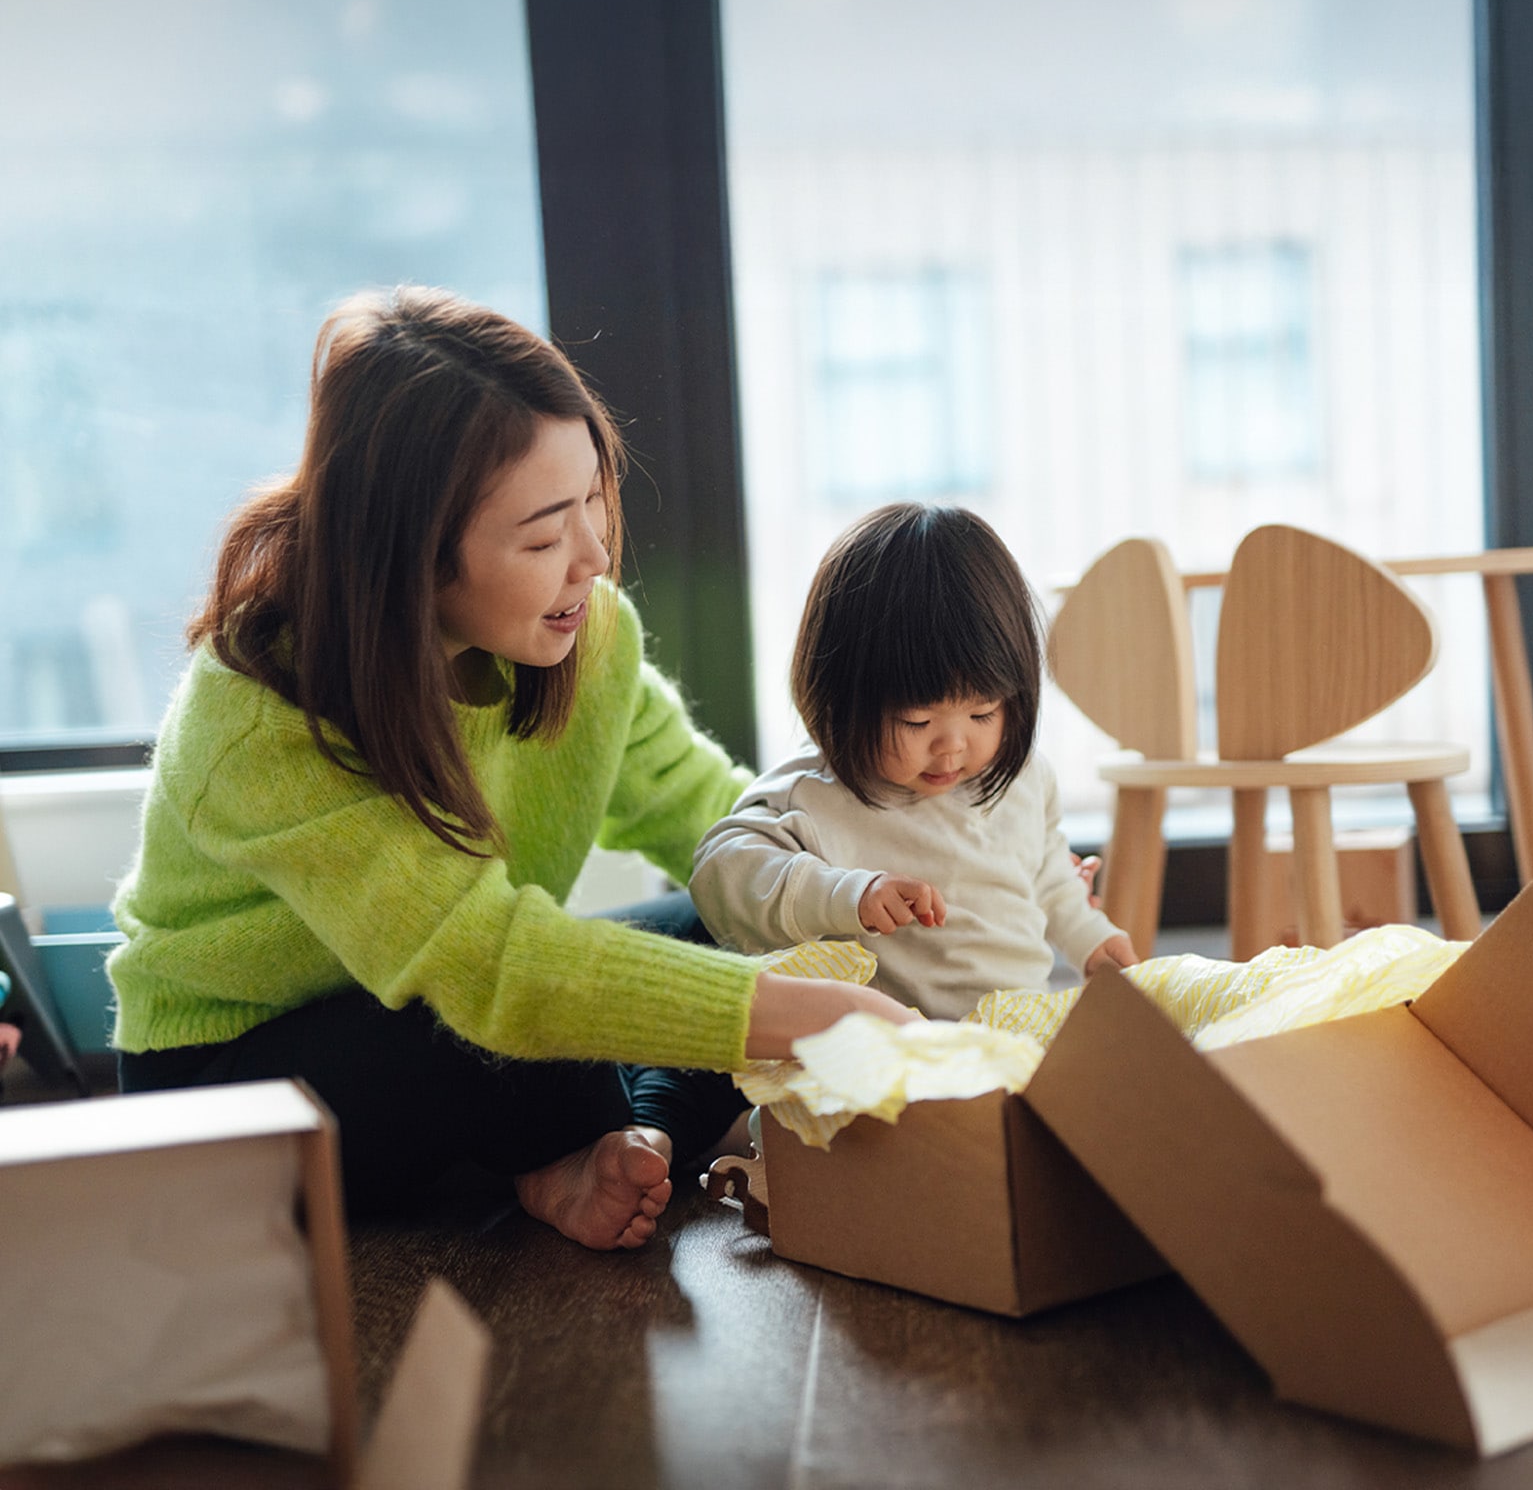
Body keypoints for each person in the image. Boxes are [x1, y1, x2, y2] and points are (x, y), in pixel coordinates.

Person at [108, 285, 909, 1250]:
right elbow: (488, 965)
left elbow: (716, 821)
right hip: (233, 1090)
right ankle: (578, 1134)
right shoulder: (261, 713)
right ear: (412, 559)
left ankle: (625, 1136)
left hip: (464, 1001)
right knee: (500, 1016)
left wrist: (882, 893)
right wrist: (814, 1017)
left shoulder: (584, 635)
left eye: (593, 506)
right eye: (541, 535)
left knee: (741, 912)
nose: (595, 558)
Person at [690, 502, 1138, 1021]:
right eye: (917, 723)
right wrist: (847, 894)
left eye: (982, 711)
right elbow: (720, 875)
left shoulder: (1023, 779)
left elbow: (1048, 877)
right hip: (894, 1054)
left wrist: (1090, 939)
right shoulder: (812, 796)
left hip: (1017, 1030)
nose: (952, 746)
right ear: (839, 699)